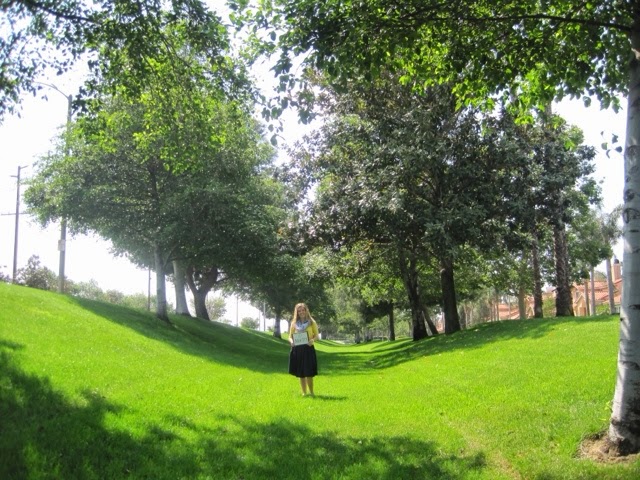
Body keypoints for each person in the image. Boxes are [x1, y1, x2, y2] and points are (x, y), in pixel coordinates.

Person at [288, 302, 319, 396]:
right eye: (299, 311)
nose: (301, 312)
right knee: (301, 373)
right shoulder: (294, 323)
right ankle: (304, 393)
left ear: (306, 311)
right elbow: (290, 337)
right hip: (297, 349)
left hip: (308, 348)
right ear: (297, 312)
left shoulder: (311, 322)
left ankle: (312, 393)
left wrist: (312, 340)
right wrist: (291, 342)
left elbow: (317, 336)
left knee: (309, 373)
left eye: (303, 310)